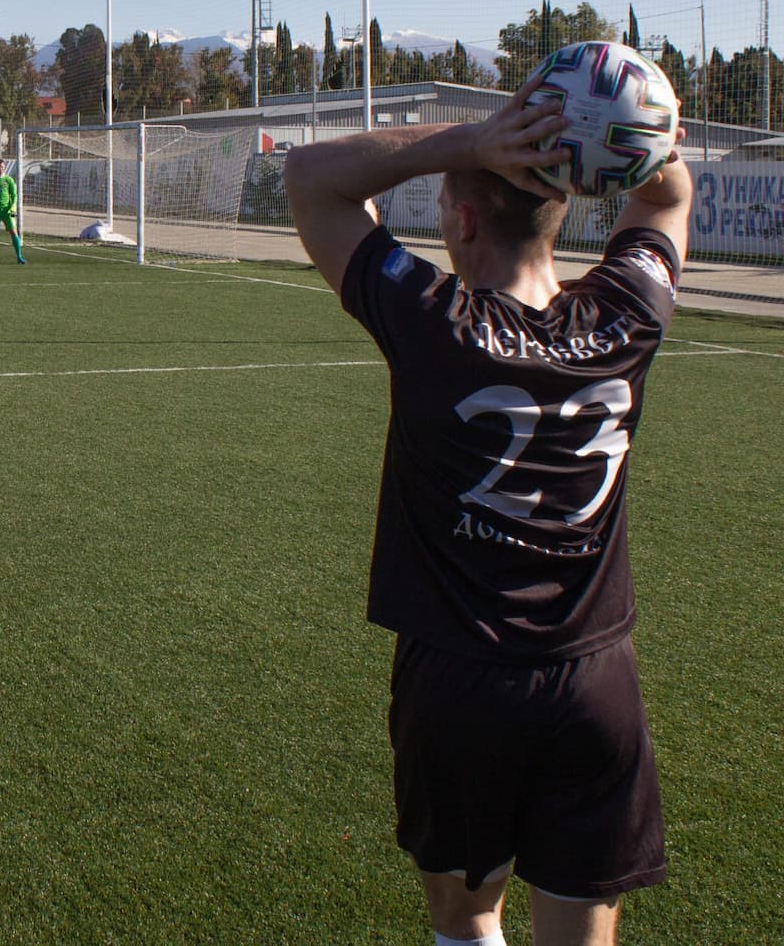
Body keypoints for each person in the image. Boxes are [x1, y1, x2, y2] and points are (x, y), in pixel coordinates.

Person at [282, 83, 692, 946]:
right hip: (595, 686)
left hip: (462, 685)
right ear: (559, 216)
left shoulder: (433, 320)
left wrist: (474, 138)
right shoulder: (625, 315)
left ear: (463, 223)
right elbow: (666, 193)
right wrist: (642, 135)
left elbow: (312, 177)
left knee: (468, 922)